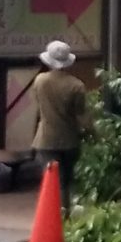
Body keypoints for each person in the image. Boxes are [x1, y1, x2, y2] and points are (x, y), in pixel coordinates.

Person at [31, 39, 95, 214]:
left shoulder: (40, 81)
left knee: (50, 179)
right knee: (67, 180)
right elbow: (81, 115)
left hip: (45, 139)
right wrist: (93, 133)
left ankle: (50, 214)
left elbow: (38, 104)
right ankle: (65, 212)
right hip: (69, 140)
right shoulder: (76, 85)